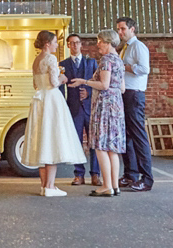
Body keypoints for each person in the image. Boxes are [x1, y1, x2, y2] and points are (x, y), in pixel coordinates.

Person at [21, 30, 86, 197]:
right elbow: (54, 82)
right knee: (52, 139)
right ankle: (50, 186)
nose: (58, 45)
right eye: (55, 42)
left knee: (43, 139)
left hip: (40, 100)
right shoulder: (50, 58)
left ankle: (44, 186)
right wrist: (63, 78)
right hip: (51, 100)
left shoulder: (36, 60)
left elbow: (36, 84)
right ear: (47, 44)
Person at [70, 29, 125, 196]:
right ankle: (114, 185)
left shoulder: (106, 60)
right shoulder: (119, 60)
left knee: (101, 145)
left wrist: (85, 82)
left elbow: (104, 85)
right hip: (116, 106)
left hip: (104, 106)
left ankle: (106, 186)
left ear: (108, 43)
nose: (98, 44)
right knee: (112, 148)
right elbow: (121, 88)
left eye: (100, 41)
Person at [116, 17, 153, 192]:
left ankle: (147, 179)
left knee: (138, 136)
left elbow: (144, 69)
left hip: (134, 95)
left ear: (132, 29)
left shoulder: (138, 47)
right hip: (125, 94)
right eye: (118, 29)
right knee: (127, 136)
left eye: (123, 29)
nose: (120, 32)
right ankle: (130, 174)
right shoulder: (125, 48)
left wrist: (126, 66)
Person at [59, 33, 101, 186]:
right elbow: (60, 88)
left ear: (81, 45)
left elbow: (99, 83)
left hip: (90, 107)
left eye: (77, 43)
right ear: (68, 46)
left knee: (93, 142)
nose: (74, 45)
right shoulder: (63, 64)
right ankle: (79, 175)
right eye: (71, 43)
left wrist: (88, 93)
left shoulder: (91, 63)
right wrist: (63, 106)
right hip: (74, 108)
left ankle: (95, 174)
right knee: (76, 142)